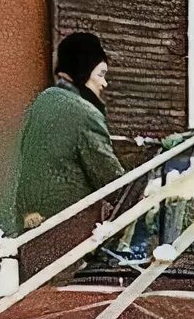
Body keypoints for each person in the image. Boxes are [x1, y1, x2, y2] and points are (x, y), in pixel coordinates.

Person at [11, 32, 123, 234]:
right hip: (68, 231)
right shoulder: (84, 114)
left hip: (31, 227)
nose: (104, 84)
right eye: (101, 74)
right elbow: (113, 184)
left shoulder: (43, 101)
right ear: (83, 70)